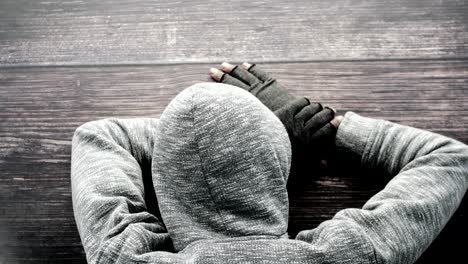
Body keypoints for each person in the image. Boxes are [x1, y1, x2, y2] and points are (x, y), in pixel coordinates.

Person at [71, 63, 468, 264]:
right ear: (282, 162)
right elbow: (450, 159)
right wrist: (329, 130)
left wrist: (188, 137)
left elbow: (99, 137)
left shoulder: (121, 256)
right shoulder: (352, 254)